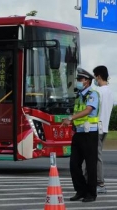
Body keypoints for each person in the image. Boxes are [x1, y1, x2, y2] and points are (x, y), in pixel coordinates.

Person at [61, 68, 99, 202]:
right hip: (78, 133)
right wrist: (71, 124)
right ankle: (81, 190)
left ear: (87, 81)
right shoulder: (79, 96)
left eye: (80, 79)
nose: (78, 81)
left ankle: (91, 193)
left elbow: (88, 110)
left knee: (90, 165)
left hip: (90, 134)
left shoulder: (92, 94)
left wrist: (70, 118)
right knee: (73, 164)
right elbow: (78, 113)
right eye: (78, 79)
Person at [85, 65, 113, 194]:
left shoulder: (98, 92)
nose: (95, 79)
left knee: (96, 156)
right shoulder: (110, 92)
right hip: (105, 127)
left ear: (99, 76)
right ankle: (88, 181)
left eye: (95, 76)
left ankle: (100, 183)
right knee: (91, 154)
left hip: (96, 127)